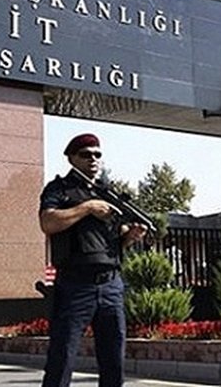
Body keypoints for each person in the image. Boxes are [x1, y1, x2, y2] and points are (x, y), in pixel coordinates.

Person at [38, 133, 148, 387]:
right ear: (71, 158)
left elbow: (116, 239)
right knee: (62, 357)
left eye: (97, 154)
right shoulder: (59, 189)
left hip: (111, 285)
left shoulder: (107, 192)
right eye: (86, 155)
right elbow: (47, 222)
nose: (93, 159)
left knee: (114, 359)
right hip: (75, 284)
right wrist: (87, 208)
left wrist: (130, 236)